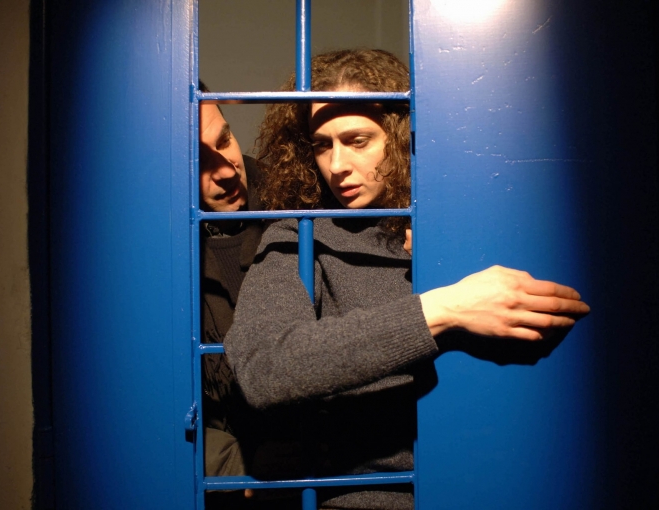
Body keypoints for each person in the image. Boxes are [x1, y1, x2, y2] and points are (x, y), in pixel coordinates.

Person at [224, 49, 590, 509]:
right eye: (322, 145)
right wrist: (441, 309)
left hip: (491, 475)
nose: (336, 165)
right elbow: (263, 367)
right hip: (361, 497)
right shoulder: (298, 236)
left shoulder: (456, 225)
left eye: (357, 141)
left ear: (399, 136)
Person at [197, 80, 265, 483]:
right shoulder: (155, 253)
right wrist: (235, 465)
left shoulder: (302, 200)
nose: (225, 170)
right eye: (198, 161)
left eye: (224, 140)